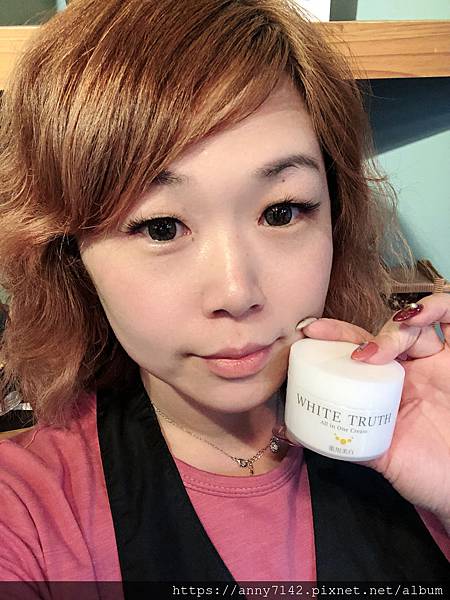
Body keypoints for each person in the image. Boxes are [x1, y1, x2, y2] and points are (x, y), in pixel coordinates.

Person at [0, 0, 448, 595]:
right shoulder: (27, 510)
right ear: (70, 250)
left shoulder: (424, 430)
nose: (237, 293)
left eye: (282, 212)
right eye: (161, 227)